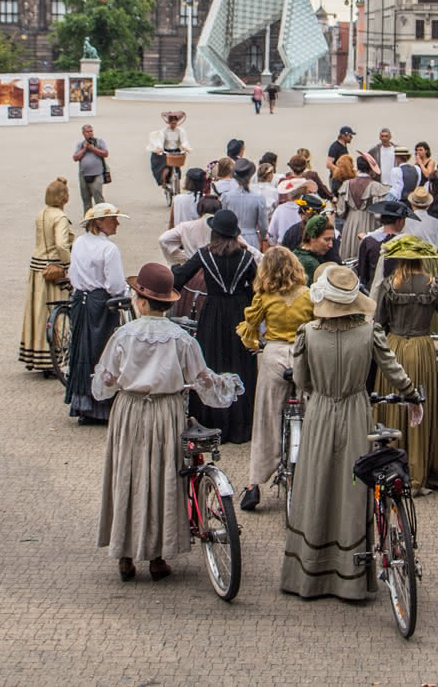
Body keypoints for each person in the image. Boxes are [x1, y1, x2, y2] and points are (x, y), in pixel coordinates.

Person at [92, 262, 243, 581]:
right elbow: (202, 381)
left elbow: (105, 383)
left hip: (130, 411)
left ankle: (125, 554)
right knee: (163, 478)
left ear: (141, 302)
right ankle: (158, 556)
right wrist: (227, 385)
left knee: (128, 475)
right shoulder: (181, 338)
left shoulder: (123, 335)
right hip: (167, 413)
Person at [280, 265, 421, 601]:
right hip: (357, 412)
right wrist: (413, 395)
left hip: (320, 414)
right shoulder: (369, 332)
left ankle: (310, 572)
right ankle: (351, 576)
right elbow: (393, 370)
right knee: (354, 486)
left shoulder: (308, 334)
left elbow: (301, 380)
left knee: (316, 485)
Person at [371, 236, 438, 491]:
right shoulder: (433, 284)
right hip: (423, 349)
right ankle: (424, 472)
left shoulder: (390, 284)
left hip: (394, 347)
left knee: (394, 407)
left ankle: (393, 469)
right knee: (423, 408)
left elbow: (378, 322)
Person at [234, 247, 316, 511]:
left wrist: (253, 343)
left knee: (266, 417)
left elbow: (250, 326)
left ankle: (254, 483)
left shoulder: (265, 297)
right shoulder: (309, 295)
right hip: (303, 355)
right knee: (311, 411)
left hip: (274, 355)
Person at [171, 209, 258, 443]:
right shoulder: (246, 257)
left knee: (212, 362)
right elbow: (257, 287)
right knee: (239, 363)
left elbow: (180, 277)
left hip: (213, 312)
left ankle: (212, 420)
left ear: (215, 233)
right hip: (239, 313)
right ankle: (240, 424)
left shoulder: (205, 255)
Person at [65, 203, 130, 424]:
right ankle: (101, 405)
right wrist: (124, 293)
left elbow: (73, 273)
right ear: (99, 222)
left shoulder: (79, 243)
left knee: (81, 349)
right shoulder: (109, 249)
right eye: (113, 219)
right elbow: (115, 284)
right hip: (101, 303)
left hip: (80, 300)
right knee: (102, 351)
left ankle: (82, 403)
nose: (117, 223)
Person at [21, 178, 75, 372]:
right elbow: (61, 244)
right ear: (64, 197)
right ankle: (55, 357)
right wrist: (69, 265)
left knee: (38, 312)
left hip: (37, 268)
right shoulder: (60, 217)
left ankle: (36, 352)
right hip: (54, 269)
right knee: (56, 311)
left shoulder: (41, 214)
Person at [338, 153, 393, 246]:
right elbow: (378, 214)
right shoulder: (375, 186)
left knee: (351, 248)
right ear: (370, 168)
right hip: (369, 221)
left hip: (351, 223)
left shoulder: (347, 184)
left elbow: (341, 211)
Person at [354, 199, 409, 290]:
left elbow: (362, 273)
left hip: (372, 290)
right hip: (399, 291)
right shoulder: (407, 243)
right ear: (399, 221)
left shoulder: (368, 241)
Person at [221, 158, 271, 250]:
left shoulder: (226, 196)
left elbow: (223, 219)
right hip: (251, 238)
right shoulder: (259, 198)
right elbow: (263, 225)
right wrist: (264, 237)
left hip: (232, 239)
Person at [73, 124, 111, 214]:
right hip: (83, 175)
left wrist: (93, 149)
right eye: (87, 132)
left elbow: (105, 154)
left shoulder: (99, 142)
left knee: (99, 199)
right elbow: (75, 158)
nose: (90, 133)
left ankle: (102, 218)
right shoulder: (80, 144)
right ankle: (88, 219)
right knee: (86, 200)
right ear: (83, 133)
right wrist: (84, 149)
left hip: (97, 174)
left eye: (91, 131)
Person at [403, 186, 438, 258]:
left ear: (412, 204)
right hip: (430, 260)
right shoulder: (436, 223)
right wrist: (437, 256)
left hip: (410, 260)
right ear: (428, 205)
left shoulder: (404, 222)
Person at [146, 110, 189, 188]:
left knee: (177, 167)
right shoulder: (164, 131)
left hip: (176, 151)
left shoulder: (180, 131)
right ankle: (163, 181)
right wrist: (159, 148)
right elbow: (160, 140)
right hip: (166, 151)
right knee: (165, 167)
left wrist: (185, 147)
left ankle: (176, 182)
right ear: (169, 122)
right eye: (172, 123)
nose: (174, 125)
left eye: (175, 123)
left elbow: (184, 140)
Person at [292, 214, 336, 281]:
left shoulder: (295, 253)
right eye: (327, 239)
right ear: (312, 237)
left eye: (332, 240)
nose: (331, 245)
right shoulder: (310, 264)